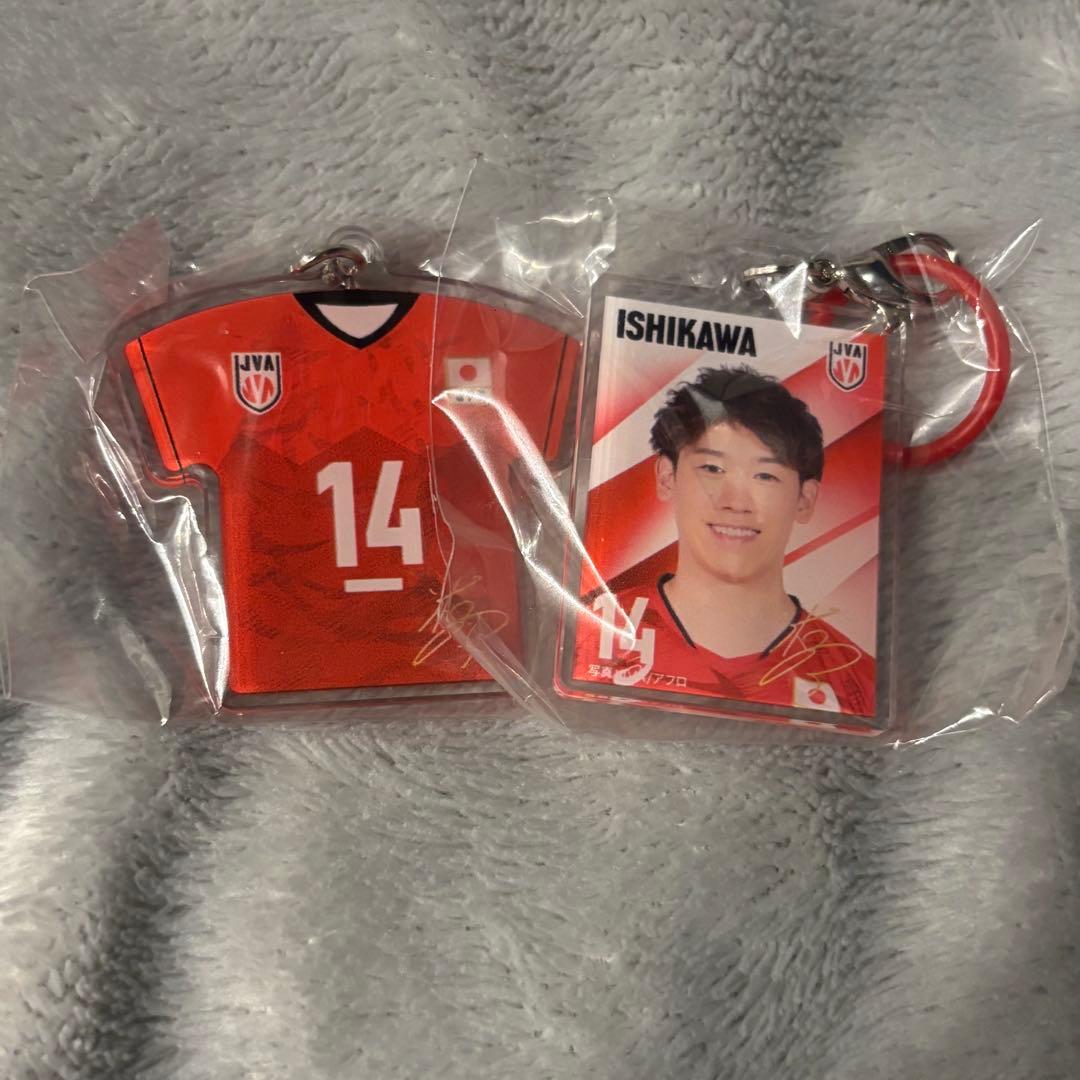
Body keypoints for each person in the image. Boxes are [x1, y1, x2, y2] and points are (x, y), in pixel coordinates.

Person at [578, 365, 876, 716]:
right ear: (667, 477)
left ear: (804, 499)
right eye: (713, 469)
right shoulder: (588, 637)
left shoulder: (857, 682)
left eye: (765, 476)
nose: (736, 502)